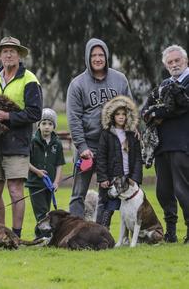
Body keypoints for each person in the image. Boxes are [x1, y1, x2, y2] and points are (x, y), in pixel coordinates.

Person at [0, 36, 42, 238]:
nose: (9, 54)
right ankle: (0, 233)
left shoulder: (29, 79)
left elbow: (35, 113)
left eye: (13, 51)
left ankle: (16, 235)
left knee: (14, 190)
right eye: (5, 51)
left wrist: (8, 116)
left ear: (19, 54)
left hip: (17, 144)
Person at [67, 38, 132, 220]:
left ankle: (103, 229)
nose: (97, 58)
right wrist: (82, 147)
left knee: (108, 190)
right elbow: (74, 119)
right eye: (93, 55)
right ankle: (75, 230)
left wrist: (128, 137)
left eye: (101, 54)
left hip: (112, 145)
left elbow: (130, 109)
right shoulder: (77, 84)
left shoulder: (120, 80)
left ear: (106, 56)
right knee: (78, 192)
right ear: (88, 57)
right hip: (88, 145)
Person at [142, 44, 189, 243]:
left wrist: (159, 112)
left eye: (177, 60)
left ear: (185, 61)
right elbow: (145, 111)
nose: (174, 64)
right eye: (170, 62)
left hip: (183, 143)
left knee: (183, 190)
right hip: (162, 146)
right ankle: (170, 232)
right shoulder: (162, 85)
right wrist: (156, 112)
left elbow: (180, 107)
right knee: (164, 192)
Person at [95, 96, 143, 228]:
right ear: (112, 116)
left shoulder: (133, 135)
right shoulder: (106, 134)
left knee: (133, 209)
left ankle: (132, 237)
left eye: (124, 114)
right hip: (112, 179)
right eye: (117, 114)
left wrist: (135, 178)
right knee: (108, 208)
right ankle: (103, 233)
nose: (121, 117)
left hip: (130, 180)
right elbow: (101, 158)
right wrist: (103, 178)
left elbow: (138, 159)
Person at [26, 108, 65, 238]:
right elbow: (25, 161)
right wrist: (37, 172)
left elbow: (59, 165)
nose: (47, 127)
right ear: (38, 125)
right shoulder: (32, 141)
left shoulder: (57, 143)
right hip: (35, 184)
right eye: (43, 123)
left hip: (49, 185)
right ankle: (46, 236)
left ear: (54, 126)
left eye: (50, 124)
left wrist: (56, 182)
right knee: (41, 212)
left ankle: (39, 235)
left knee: (46, 212)